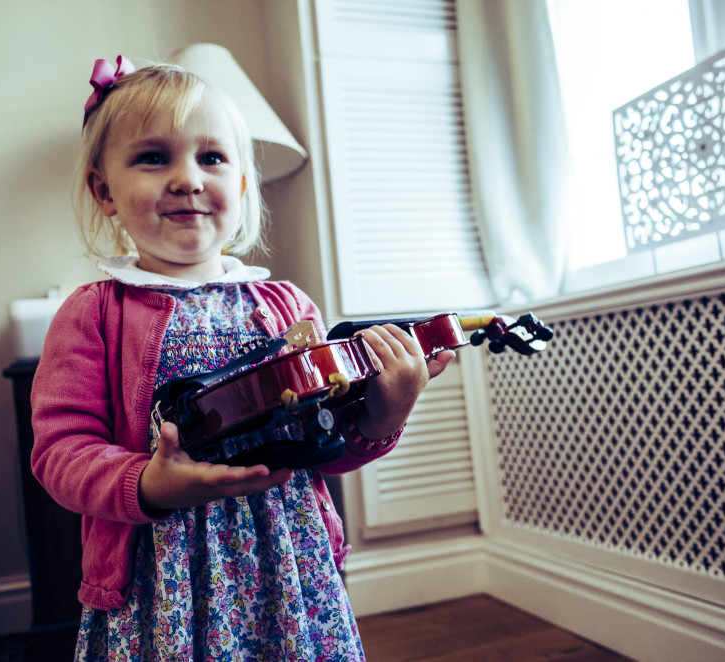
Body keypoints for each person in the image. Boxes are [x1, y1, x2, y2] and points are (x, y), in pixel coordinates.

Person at [30, 55, 455, 660]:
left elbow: (326, 448)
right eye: (154, 157)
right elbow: (60, 451)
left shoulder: (288, 306)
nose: (188, 178)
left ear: (244, 185)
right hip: (162, 586)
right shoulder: (92, 312)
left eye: (212, 158)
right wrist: (148, 483)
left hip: (289, 565)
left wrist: (383, 416)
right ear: (105, 191)